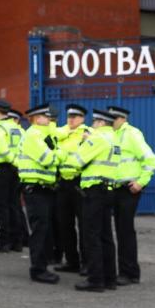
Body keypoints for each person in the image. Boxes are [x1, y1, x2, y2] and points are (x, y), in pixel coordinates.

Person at [65, 108, 119, 292]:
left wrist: (82, 143)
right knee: (106, 237)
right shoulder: (115, 139)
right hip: (109, 190)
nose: (93, 125)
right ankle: (110, 278)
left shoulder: (96, 138)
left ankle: (95, 280)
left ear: (101, 122)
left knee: (92, 236)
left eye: (95, 122)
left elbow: (75, 162)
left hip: (94, 192)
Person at [107, 105, 155, 286]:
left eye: (112, 119)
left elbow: (151, 160)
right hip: (115, 189)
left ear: (121, 119)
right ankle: (124, 271)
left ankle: (130, 273)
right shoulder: (113, 134)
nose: (109, 122)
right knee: (120, 230)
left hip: (128, 190)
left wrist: (140, 183)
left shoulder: (132, 134)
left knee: (125, 231)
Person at [15, 104, 65, 284]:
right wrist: (61, 152)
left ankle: (42, 265)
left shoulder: (42, 134)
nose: (49, 119)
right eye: (46, 116)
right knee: (39, 230)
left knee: (45, 229)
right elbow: (48, 159)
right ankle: (37, 269)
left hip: (44, 188)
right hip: (35, 190)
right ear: (36, 118)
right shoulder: (33, 135)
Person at [53, 103, 89, 273]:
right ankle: (71, 261)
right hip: (63, 183)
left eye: (74, 117)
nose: (71, 120)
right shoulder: (62, 133)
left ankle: (86, 262)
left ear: (82, 118)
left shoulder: (87, 134)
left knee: (84, 224)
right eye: (69, 117)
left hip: (78, 182)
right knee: (64, 224)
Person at [0, 99, 22, 252]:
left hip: (3, 169)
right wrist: (18, 164)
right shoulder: (16, 127)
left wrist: (12, 161)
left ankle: (4, 241)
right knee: (14, 205)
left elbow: (2, 149)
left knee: (2, 206)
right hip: (16, 170)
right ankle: (17, 242)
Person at [7, 109, 30, 250]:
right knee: (16, 206)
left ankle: (17, 239)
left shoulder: (7, 130)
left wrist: (15, 162)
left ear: (16, 119)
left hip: (12, 167)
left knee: (12, 206)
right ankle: (24, 237)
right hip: (19, 169)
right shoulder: (22, 132)